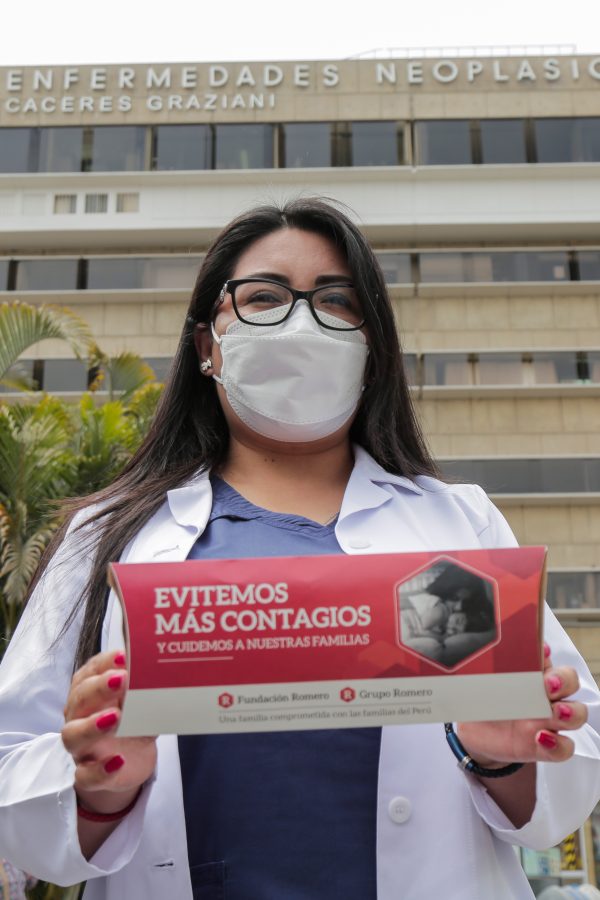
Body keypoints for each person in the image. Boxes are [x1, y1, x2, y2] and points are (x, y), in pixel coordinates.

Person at [0, 198, 599, 900]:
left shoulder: (457, 525)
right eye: (264, 297)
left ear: (372, 351)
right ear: (206, 345)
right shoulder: (104, 536)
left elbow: (573, 765)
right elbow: (13, 774)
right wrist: (99, 786)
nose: (301, 322)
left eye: (337, 301)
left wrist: (504, 760)